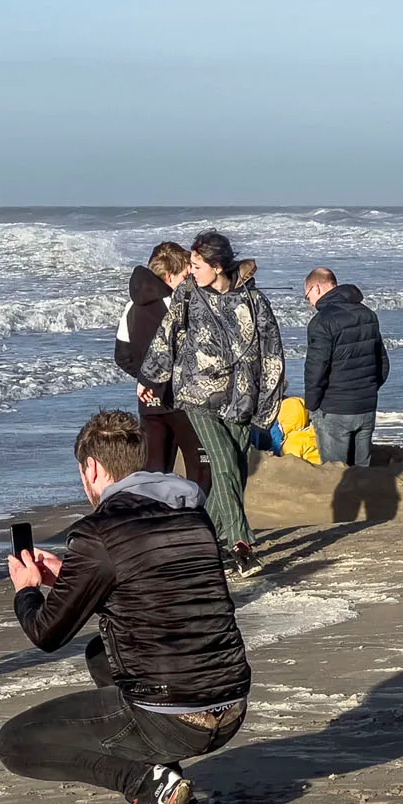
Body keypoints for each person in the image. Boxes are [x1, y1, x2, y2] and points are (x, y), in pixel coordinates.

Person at [0, 410, 249, 804]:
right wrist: (69, 577)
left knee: (15, 743)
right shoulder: (192, 516)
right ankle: (177, 799)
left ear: (91, 468)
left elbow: (46, 634)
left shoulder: (99, 531)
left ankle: (146, 783)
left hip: (173, 714)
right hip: (229, 703)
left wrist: (27, 590)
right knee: (100, 651)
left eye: (82, 473)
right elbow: (155, 592)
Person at [141, 231, 285, 576]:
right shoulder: (188, 293)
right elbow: (168, 333)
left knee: (234, 471)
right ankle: (242, 544)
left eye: (196, 265)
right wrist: (150, 378)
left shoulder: (254, 301)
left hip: (242, 399)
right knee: (222, 465)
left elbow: (273, 355)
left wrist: (268, 405)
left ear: (217, 266)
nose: (190, 271)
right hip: (197, 394)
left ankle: (208, 541)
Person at [115, 242, 208, 485]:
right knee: (201, 469)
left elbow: (122, 356)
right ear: (169, 276)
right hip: (183, 401)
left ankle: (158, 519)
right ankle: (199, 519)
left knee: (155, 472)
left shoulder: (130, 308)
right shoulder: (180, 305)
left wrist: (146, 377)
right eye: (185, 275)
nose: (190, 280)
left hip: (149, 401)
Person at [302, 268, 391, 467]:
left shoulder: (321, 322)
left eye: (307, 297)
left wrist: (312, 406)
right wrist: (368, 390)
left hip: (334, 409)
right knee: (361, 474)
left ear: (316, 289)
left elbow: (316, 371)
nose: (309, 303)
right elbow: (383, 365)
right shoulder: (367, 314)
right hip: (366, 406)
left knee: (336, 475)